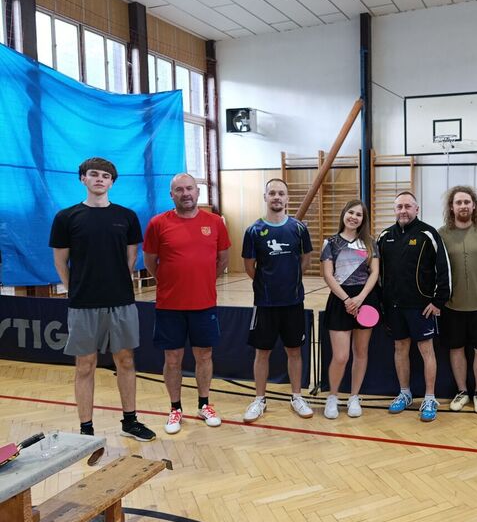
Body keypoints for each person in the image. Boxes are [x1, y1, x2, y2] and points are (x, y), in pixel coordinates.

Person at [49, 157, 155, 455]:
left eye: (106, 176)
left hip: (121, 302)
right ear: (83, 178)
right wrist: (75, 289)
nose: (99, 179)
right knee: (85, 365)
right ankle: (86, 430)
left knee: (126, 361)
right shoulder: (66, 217)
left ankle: (130, 421)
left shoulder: (127, 217)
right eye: (94, 174)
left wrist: (114, 283)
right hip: (83, 304)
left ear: (112, 182)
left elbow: (130, 259)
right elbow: (60, 261)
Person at [143, 173, 231, 435]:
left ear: (198, 191)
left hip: (204, 304)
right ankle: (175, 408)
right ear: (172, 195)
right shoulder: (158, 223)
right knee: (172, 359)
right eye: (179, 190)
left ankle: (204, 404)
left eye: (190, 188)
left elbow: (223, 260)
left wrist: (203, 281)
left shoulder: (214, 222)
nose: (186, 194)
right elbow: (150, 262)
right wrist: (169, 282)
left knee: (204, 356)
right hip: (169, 306)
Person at [241, 178, 314, 421]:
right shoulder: (253, 231)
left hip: (293, 302)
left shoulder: (299, 228)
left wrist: (290, 280)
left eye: (281, 193)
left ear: (287, 198)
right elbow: (249, 267)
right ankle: (259, 399)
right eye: (272, 193)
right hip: (265, 304)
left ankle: (297, 397)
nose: (276, 197)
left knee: (294, 351)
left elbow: (306, 260)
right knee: (262, 352)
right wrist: (267, 284)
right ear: (265, 197)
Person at [377, 192, 451, 422]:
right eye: (399, 206)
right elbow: (376, 273)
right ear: (394, 210)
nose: (403, 211)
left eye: (408, 206)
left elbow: (444, 268)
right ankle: (405, 393)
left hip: (421, 307)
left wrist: (438, 301)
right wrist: (381, 302)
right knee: (400, 348)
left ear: (416, 209)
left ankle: (429, 397)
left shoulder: (428, 234)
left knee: (426, 350)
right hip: (394, 306)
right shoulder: (385, 236)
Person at [438, 186, 477, 414]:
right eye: (458, 202)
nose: (463, 206)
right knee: (456, 349)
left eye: (467, 202)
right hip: (452, 305)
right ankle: (462, 391)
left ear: (474, 206)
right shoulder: (442, 234)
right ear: (451, 207)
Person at [320, 200, 380, 419]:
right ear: (344, 214)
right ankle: (332, 397)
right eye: (351, 212)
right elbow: (328, 275)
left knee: (361, 352)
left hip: (365, 299)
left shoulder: (370, 243)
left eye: (359, 214)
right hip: (340, 301)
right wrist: (347, 300)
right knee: (341, 356)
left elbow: (375, 273)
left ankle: (354, 397)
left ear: (363, 220)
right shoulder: (331, 242)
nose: (354, 217)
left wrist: (361, 298)